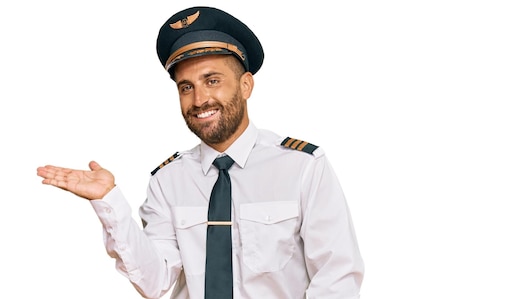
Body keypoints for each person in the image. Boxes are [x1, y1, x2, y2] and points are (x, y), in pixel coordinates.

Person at [36, 5, 364, 299]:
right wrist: (109, 200)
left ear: (246, 85)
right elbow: (156, 282)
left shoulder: (303, 167)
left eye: (212, 80)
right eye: (186, 87)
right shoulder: (168, 181)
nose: (198, 100)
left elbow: (337, 278)